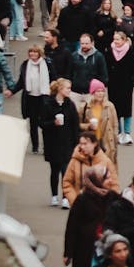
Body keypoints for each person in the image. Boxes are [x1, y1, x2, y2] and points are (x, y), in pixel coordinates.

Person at [65, 162, 118, 267]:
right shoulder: (82, 199)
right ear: (97, 181)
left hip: (107, 248)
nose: (111, 181)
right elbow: (72, 226)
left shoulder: (113, 197)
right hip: (85, 249)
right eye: (107, 178)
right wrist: (68, 252)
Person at [42, 79, 82, 207]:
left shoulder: (70, 104)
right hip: (53, 142)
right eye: (67, 88)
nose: (69, 90)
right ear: (60, 89)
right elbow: (42, 122)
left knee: (66, 171)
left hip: (67, 143)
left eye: (70, 88)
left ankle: (65, 197)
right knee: (55, 170)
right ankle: (54, 195)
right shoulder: (48, 104)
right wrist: (53, 123)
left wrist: (77, 142)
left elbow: (76, 124)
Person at [63, 130, 121, 207]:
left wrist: (109, 203)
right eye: (81, 144)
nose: (82, 146)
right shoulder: (74, 161)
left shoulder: (106, 161)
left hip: (101, 207)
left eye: (85, 144)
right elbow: (67, 183)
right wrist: (75, 201)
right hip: (81, 207)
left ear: (95, 144)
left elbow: (114, 185)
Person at [108, 31, 134, 146]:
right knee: (115, 108)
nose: (116, 41)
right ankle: (119, 132)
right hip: (113, 84)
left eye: (118, 39)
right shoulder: (109, 51)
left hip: (126, 84)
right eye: (114, 39)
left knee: (127, 108)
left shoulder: (130, 51)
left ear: (124, 40)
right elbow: (106, 67)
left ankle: (127, 133)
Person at [19, 44, 56, 153]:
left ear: (39, 53)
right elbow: (22, 81)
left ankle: (47, 146)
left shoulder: (47, 64)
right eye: (31, 52)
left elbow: (54, 78)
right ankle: (35, 146)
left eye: (35, 52)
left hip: (43, 98)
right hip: (30, 98)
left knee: (44, 123)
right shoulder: (26, 65)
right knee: (33, 124)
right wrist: (11, 90)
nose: (33, 54)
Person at [83, 80, 122, 167]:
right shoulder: (85, 107)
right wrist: (88, 126)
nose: (100, 94)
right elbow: (78, 125)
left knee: (107, 171)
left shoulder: (109, 106)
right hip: (92, 143)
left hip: (106, 143)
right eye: (98, 91)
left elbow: (115, 124)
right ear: (92, 92)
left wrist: (115, 139)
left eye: (102, 91)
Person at [67, 33, 109, 101]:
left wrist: (98, 89)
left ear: (92, 43)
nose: (84, 46)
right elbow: (69, 73)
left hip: (91, 93)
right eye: (82, 43)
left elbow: (104, 75)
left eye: (86, 43)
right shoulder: (74, 56)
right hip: (75, 92)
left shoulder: (99, 56)